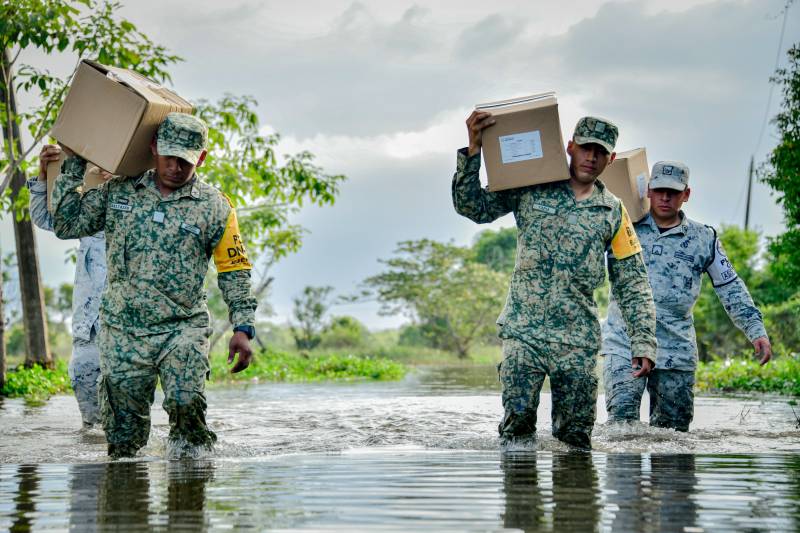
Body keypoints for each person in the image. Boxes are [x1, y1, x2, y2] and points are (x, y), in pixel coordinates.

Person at [51, 112, 258, 459]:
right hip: (122, 329)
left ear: (201, 159)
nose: (175, 167)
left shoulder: (216, 208)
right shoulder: (118, 191)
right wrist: (74, 163)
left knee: (186, 404)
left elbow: (234, 269)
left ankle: (190, 496)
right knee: (123, 438)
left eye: (185, 161)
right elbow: (67, 223)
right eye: (169, 156)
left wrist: (243, 327)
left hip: (182, 328)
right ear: (153, 148)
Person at [453, 112, 656, 449]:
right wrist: (473, 151)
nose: (591, 157)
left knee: (575, 439)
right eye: (586, 148)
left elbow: (632, 282)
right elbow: (473, 207)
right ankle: (520, 498)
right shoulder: (531, 186)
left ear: (612, 158)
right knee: (516, 429)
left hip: (577, 341)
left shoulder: (614, 211)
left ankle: (575, 501)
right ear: (570, 146)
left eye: (600, 152)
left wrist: (643, 341)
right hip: (524, 332)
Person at [601, 161, 771, 431]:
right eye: (659, 191)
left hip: (676, 349)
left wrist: (755, 330)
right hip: (625, 343)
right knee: (621, 428)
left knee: (673, 438)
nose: (665, 198)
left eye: (673, 192)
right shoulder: (622, 228)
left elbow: (730, 286)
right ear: (648, 192)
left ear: (686, 195)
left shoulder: (704, 238)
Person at [29, 146, 110, 428]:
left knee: (126, 410)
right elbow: (47, 218)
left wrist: (121, 181)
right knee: (83, 380)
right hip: (90, 320)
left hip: (131, 324)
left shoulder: (145, 195)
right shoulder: (90, 205)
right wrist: (44, 176)